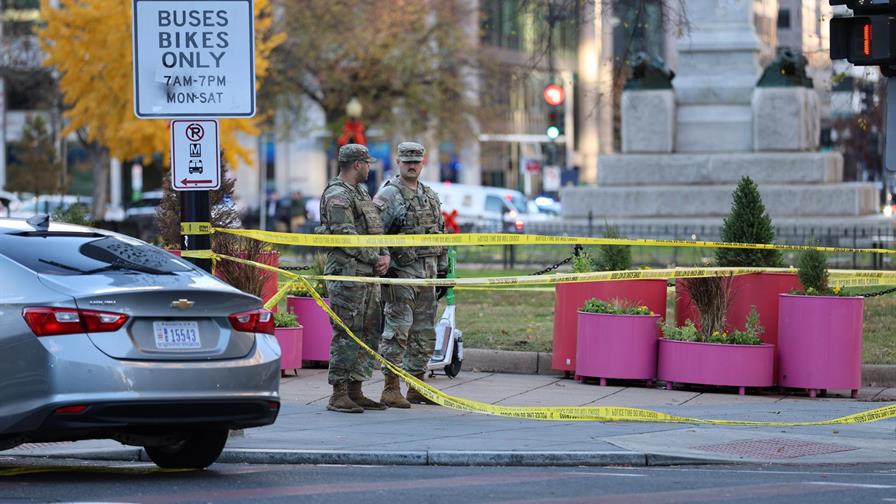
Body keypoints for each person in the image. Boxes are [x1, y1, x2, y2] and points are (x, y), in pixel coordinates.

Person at [316, 144, 391, 413]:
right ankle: (338, 393)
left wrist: (385, 255)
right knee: (347, 332)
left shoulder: (359, 192)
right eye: (367, 163)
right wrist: (375, 257)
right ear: (357, 164)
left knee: (369, 331)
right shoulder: (337, 195)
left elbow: (375, 229)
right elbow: (346, 236)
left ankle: (356, 389)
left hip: (368, 276)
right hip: (347, 276)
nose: (370, 168)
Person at [373, 142, 448, 407]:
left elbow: (440, 232)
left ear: (423, 162)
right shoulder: (389, 195)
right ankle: (391, 387)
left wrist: (443, 267)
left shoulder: (429, 195)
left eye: (416, 161)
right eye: (407, 161)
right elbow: (375, 232)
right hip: (401, 275)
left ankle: (416, 384)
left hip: (427, 275)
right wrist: (383, 257)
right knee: (397, 331)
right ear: (398, 162)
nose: (412, 165)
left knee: (424, 332)